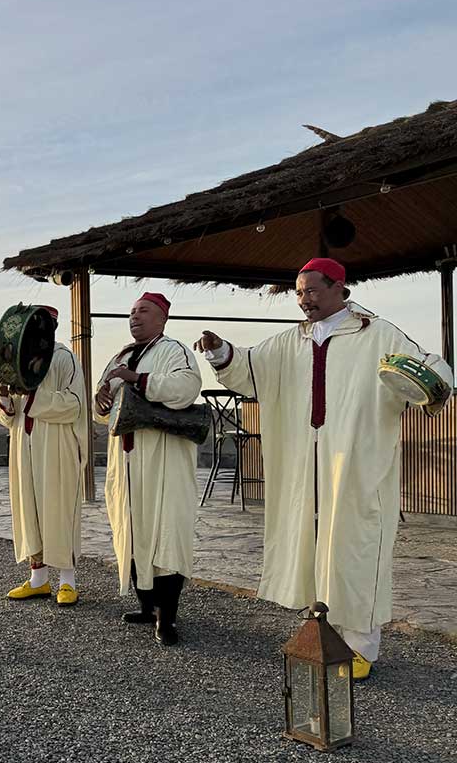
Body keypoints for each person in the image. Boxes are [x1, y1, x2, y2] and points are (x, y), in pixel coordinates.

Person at [195, 258, 452, 678]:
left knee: (358, 545)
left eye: (312, 290)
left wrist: (429, 386)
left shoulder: (376, 333)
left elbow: (430, 367)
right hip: (304, 462)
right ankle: (326, 632)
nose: (304, 300)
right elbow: (250, 368)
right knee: (317, 545)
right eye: (298, 293)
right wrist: (221, 351)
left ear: (339, 289)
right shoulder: (290, 341)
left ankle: (362, 647)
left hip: (357, 461)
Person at [94, 292, 201, 646]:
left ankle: (166, 619)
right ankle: (145, 605)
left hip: (162, 461)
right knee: (132, 530)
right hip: (126, 462)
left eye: (143, 311)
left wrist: (138, 379)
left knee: (165, 532)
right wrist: (101, 399)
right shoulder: (121, 354)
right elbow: (106, 404)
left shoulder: (175, 352)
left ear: (162, 318)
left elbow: (186, 389)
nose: (135, 317)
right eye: (132, 312)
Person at [0, 306, 87, 605]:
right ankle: (39, 580)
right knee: (29, 510)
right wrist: (5, 400)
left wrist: (32, 397)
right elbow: (10, 418)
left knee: (58, 510)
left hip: (57, 446)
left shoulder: (64, 358)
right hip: (24, 445)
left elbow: (73, 404)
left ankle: (68, 581)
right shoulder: (17, 364)